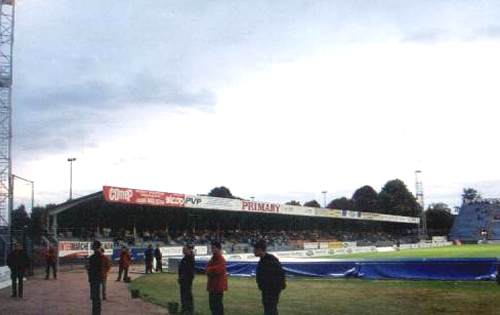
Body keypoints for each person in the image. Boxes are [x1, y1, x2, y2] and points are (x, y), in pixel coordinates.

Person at [254, 239, 286, 315]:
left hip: (271, 290)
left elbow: (280, 274)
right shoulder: (263, 260)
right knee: (270, 308)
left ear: (260, 250)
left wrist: (274, 287)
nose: (253, 251)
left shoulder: (271, 260)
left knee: (270, 309)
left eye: (255, 249)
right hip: (266, 290)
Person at [206, 240, 227, 315]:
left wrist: (209, 269)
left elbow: (216, 270)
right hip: (213, 286)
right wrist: (210, 269)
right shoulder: (213, 258)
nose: (212, 249)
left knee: (217, 306)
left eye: (214, 248)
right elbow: (209, 268)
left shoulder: (221, 259)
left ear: (218, 249)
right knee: (212, 305)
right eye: (211, 248)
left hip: (218, 287)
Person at [178, 244, 195, 315]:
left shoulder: (190, 258)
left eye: (184, 249)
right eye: (183, 249)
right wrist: (180, 277)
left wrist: (187, 278)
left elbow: (189, 271)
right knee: (183, 295)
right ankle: (184, 309)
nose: (183, 250)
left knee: (187, 295)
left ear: (188, 250)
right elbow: (181, 269)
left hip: (187, 280)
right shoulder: (185, 258)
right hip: (182, 279)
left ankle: (189, 310)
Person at [87, 240, 103, 315]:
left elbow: (95, 268)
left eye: (93, 245)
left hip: (95, 279)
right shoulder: (96, 256)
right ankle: (96, 312)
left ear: (95, 246)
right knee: (95, 297)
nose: (91, 246)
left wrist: (88, 267)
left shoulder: (95, 256)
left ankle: (96, 313)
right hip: (96, 278)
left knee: (95, 297)